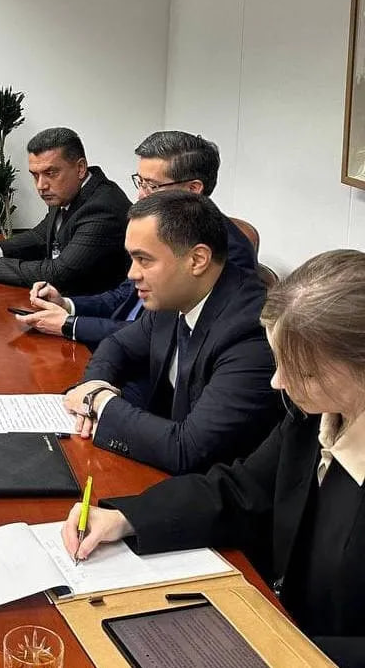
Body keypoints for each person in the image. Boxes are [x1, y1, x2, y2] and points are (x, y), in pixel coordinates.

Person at [62, 249, 365, 667]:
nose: (278, 382)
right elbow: (240, 490)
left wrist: (283, 649)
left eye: (304, 371)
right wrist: (127, 518)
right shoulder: (313, 414)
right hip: (265, 621)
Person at [62, 190, 281, 474]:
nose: (132, 274)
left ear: (197, 260)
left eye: (144, 260)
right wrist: (94, 385)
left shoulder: (251, 332)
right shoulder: (174, 295)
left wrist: (99, 402)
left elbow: (188, 449)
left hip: (213, 486)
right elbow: (118, 345)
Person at [18, 131, 256, 348]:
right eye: (140, 182)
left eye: (152, 186)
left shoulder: (230, 253)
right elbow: (123, 297)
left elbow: (161, 336)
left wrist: (71, 324)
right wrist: (67, 304)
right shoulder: (155, 232)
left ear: (193, 189)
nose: (140, 195)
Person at [0, 127, 131, 294]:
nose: (41, 186)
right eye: (35, 175)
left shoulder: (102, 207)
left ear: (80, 168)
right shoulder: (66, 193)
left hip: (92, 307)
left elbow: (60, 273)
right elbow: (40, 236)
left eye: (51, 173)